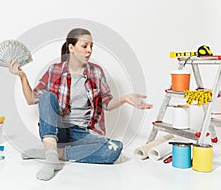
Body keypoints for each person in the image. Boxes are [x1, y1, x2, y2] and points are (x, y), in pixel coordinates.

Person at [9, 28, 153, 181]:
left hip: (83, 133)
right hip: (60, 130)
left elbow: (107, 104)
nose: (89, 51)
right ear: (71, 48)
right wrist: (22, 76)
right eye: (85, 46)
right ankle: (51, 157)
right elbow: (32, 99)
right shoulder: (55, 70)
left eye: (91, 46)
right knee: (47, 96)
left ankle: (53, 153)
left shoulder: (96, 72)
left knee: (114, 149)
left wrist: (125, 98)